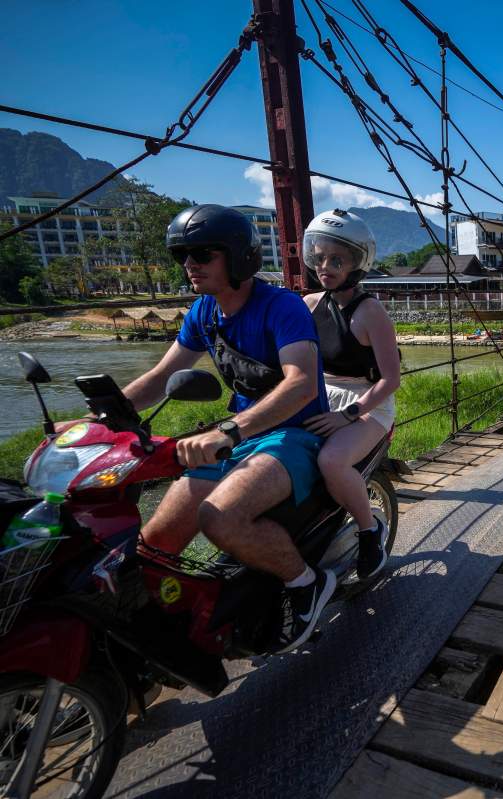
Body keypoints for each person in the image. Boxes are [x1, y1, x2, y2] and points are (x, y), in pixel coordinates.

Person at [123, 204, 334, 653]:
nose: (189, 264)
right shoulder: (203, 312)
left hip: (293, 434)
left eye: (202, 253)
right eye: (183, 254)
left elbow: (300, 384)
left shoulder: (283, 307)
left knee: (219, 517)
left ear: (238, 257)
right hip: (241, 434)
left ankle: (305, 582)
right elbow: (161, 377)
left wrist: (230, 432)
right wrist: (98, 417)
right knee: (152, 544)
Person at [301, 210, 402, 582]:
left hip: (366, 404)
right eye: (319, 257)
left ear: (356, 264)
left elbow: (391, 379)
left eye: (337, 260)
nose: (325, 266)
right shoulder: (310, 304)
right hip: (321, 396)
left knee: (331, 461)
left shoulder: (371, 312)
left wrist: (350, 414)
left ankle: (368, 531)